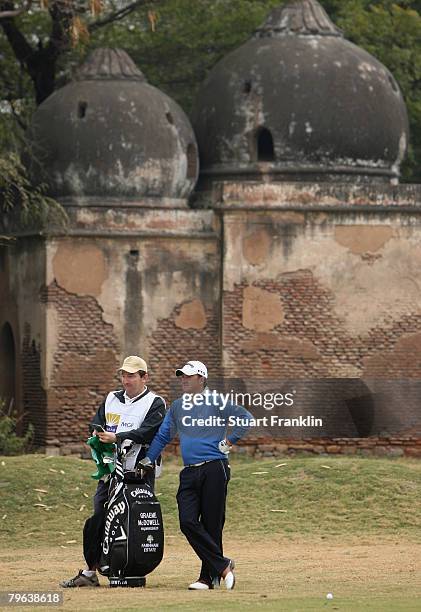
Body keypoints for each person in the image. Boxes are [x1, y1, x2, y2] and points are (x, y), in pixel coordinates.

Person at [140, 360, 252, 591]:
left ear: (201, 379)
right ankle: (223, 565)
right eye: (181, 376)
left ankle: (207, 578)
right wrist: (149, 459)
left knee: (212, 524)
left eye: (188, 376)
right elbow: (163, 436)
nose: (183, 379)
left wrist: (229, 441)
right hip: (189, 472)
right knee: (187, 521)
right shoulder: (178, 406)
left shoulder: (216, 402)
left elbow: (245, 419)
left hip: (215, 468)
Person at [61, 355, 166, 588]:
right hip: (110, 472)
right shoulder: (111, 398)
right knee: (99, 517)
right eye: (123, 375)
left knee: (132, 520)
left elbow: (147, 433)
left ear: (144, 377)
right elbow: (95, 423)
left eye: (131, 376)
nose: (126, 380)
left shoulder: (155, 402)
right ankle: (90, 572)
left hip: (138, 473)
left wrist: (117, 437)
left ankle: (128, 569)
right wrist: (99, 436)